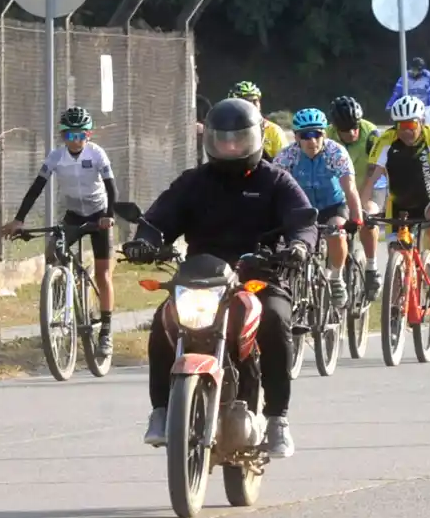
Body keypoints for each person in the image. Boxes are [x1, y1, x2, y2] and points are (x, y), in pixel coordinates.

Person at [122, 97, 318, 459]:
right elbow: (158, 219)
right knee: (163, 322)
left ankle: (277, 419)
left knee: (274, 320)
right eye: (222, 139)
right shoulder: (193, 183)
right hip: (201, 279)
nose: (230, 147)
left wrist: (299, 247)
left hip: (259, 277)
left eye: (238, 139)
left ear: (256, 137)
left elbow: (302, 219)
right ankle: (162, 411)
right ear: (209, 141)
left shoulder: (276, 181)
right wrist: (144, 242)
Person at [1, 106, 117, 357]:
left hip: (99, 216)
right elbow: (36, 188)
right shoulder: (56, 157)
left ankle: (106, 331)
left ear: (89, 135)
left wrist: (109, 216)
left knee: (102, 274)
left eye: (80, 136)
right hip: (74, 215)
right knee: (53, 249)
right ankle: (62, 290)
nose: (75, 142)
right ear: (62, 137)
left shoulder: (97, 155)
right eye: (69, 136)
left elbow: (111, 189)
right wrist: (19, 220)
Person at [359, 95, 430, 303]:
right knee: (395, 258)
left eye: (410, 124)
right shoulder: (385, 140)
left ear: (421, 121)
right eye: (400, 125)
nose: (406, 130)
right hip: (399, 204)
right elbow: (370, 178)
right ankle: (397, 311)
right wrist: (360, 210)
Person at [273, 107, 363, 309]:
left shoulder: (336, 152)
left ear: (324, 134)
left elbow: (350, 189)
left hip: (333, 205)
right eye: (306, 136)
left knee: (336, 232)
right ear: (296, 137)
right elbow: (273, 191)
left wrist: (356, 218)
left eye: (317, 134)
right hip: (302, 210)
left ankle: (336, 278)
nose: (312, 141)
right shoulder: (286, 157)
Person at [326, 95, 385, 300]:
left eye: (354, 127)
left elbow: (381, 168)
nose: (351, 133)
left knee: (367, 217)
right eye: (345, 129)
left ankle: (371, 267)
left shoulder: (371, 135)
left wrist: (361, 203)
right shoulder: (327, 135)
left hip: (370, 184)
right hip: (342, 190)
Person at [227, 80, 287, 161]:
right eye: (245, 101)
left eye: (255, 101)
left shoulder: (273, 130)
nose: (251, 105)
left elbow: (284, 163)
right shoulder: (226, 131)